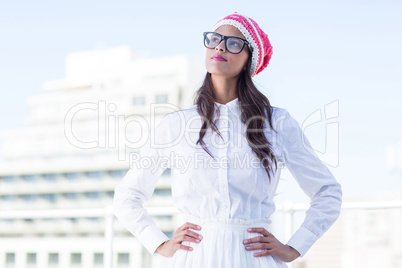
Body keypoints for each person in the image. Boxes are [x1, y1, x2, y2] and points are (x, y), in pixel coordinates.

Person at [113, 13, 342, 268]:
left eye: (233, 43)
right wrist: (158, 243)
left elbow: (328, 192)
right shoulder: (176, 125)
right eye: (214, 40)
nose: (220, 46)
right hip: (195, 257)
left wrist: (294, 247)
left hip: (254, 258)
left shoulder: (277, 122)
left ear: (248, 59)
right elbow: (127, 196)